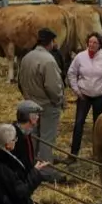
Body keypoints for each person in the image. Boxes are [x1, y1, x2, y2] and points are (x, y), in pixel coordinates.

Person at [17, 28, 65, 165]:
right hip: (46, 105)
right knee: (46, 138)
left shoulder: (27, 57)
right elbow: (53, 86)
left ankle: (31, 164)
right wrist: (58, 100)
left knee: (32, 136)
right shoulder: (48, 60)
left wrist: (27, 98)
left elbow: (20, 81)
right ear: (50, 42)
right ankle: (44, 167)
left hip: (30, 103)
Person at [66, 32, 102, 160]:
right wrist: (76, 90)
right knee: (79, 123)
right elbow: (71, 73)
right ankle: (73, 154)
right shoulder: (80, 57)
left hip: (99, 96)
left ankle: (97, 154)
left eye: (95, 43)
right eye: (90, 42)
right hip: (84, 95)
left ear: (100, 45)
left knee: (97, 125)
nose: (92, 45)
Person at [12, 100, 44, 172]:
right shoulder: (15, 137)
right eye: (36, 115)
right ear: (31, 117)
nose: (38, 117)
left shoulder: (26, 132)